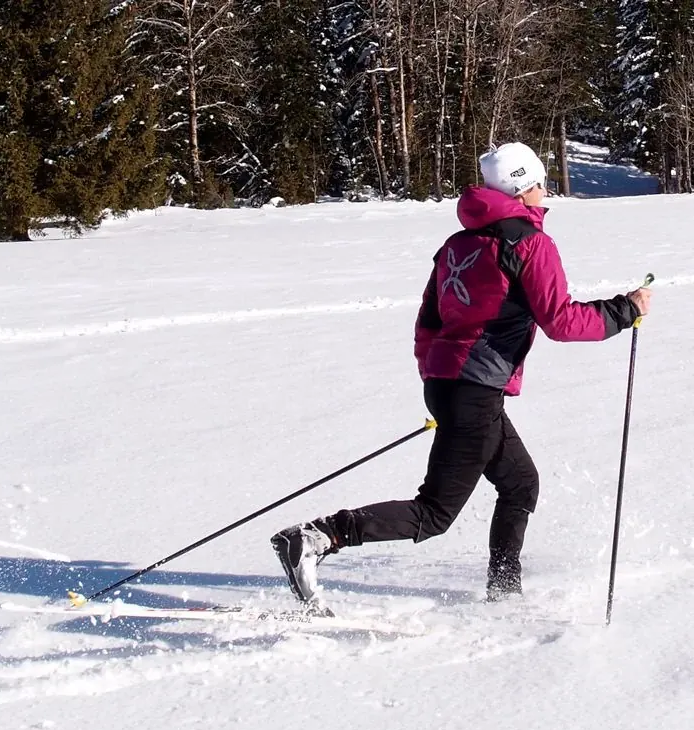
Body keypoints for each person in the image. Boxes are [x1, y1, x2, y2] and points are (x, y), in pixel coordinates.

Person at [270, 142, 653, 610]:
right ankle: (316, 537)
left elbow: (428, 321)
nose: (544, 189)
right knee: (433, 513)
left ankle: (504, 590)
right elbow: (562, 322)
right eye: (538, 182)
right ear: (523, 188)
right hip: (473, 393)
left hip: (452, 387)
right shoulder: (530, 243)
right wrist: (624, 310)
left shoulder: (457, 245)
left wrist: (442, 384)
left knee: (520, 483)